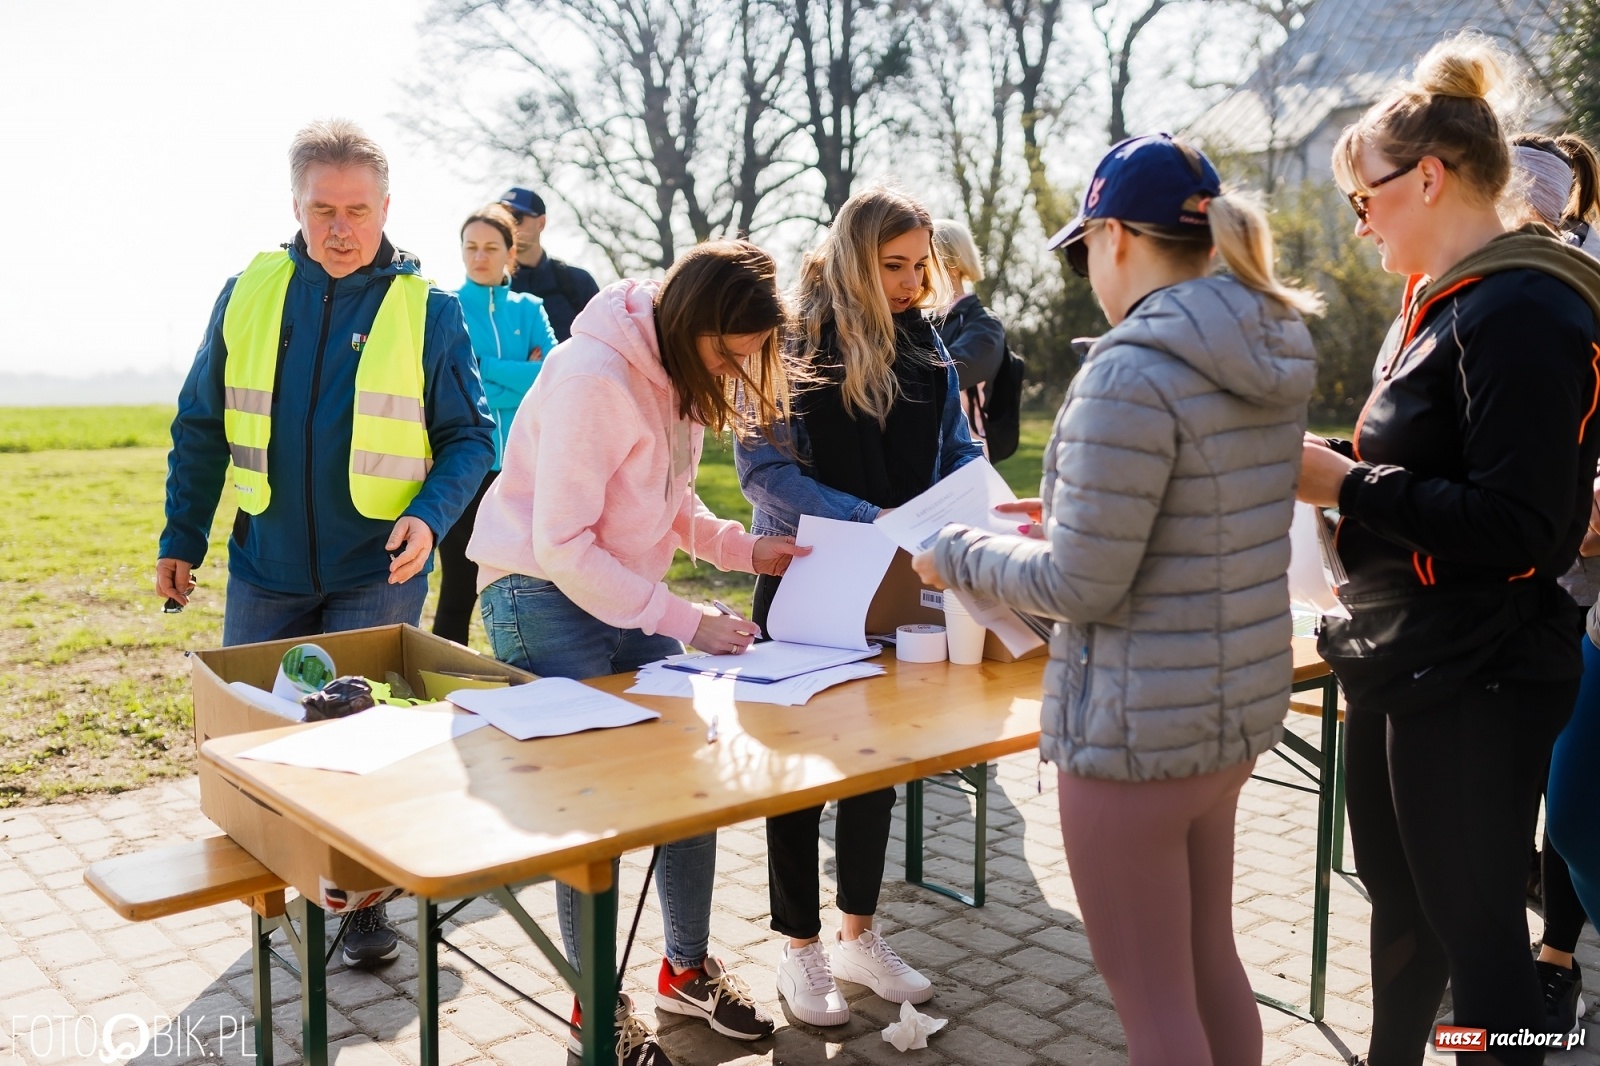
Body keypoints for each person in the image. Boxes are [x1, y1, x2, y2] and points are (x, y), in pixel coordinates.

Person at [912, 133, 1319, 1066]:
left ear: (1116, 238)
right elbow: (1197, 514)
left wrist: (958, 550)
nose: (1088, 266)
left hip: (1134, 734)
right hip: (1225, 717)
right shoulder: (1264, 345)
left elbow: (1079, 586)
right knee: (1209, 964)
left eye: (1085, 246)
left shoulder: (1126, 370)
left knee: (1154, 1011)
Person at [1297, 37, 1600, 1064]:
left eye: (1365, 195)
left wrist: (1340, 482)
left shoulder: (1523, 308)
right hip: (1408, 652)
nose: (1361, 217)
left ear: (1427, 177)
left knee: (1481, 945)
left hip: (1475, 669)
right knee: (1405, 906)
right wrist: (1331, 469)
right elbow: (1433, 470)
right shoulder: (1445, 301)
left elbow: (1520, 525)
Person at [156, 119, 495, 969]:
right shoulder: (247, 293)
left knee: (364, 743)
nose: (340, 228)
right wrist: (181, 539)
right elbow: (200, 425)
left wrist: (430, 513)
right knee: (260, 741)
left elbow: (469, 439)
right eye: (322, 209)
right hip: (264, 564)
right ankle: (276, 891)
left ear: (386, 208)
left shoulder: (431, 311)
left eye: (357, 209)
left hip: (376, 570)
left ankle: (364, 902)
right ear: (296, 206)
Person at [466, 240, 808, 1065]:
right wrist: (686, 621)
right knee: (597, 801)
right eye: (728, 355)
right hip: (537, 587)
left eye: (750, 358)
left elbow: (669, 497)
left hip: (616, 587)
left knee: (687, 784)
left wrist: (741, 549)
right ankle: (594, 1008)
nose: (736, 373)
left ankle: (684, 969)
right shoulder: (594, 376)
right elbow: (563, 543)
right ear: (690, 322)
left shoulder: (679, 372)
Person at [735, 185, 985, 1028]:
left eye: (922, 266)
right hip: (806, 578)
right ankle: (799, 951)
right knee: (798, 772)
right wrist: (867, 519)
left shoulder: (930, 348)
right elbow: (763, 473)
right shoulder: (789, 341)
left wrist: (968, 507)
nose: (913, 283)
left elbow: (959, 449)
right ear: (851, 258)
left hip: (900, 581)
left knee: (874, 767)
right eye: (894, 267)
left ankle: (858, 936)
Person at [1513, 130, 1600, 1034]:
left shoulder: (1572, 286)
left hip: (1583, 597)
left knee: (1569, 812)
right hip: (1525, 590)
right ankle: (1522, 981)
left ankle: (1553, 965)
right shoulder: (1485, 285)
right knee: (1548, 804)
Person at [431, 203, 557, 646]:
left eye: (490, 247)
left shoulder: (530, 309)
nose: (478, 256)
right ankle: (441, 679)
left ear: (510, 254)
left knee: (533, 581)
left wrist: (486, 368)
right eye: (470, 247)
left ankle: (530, 670)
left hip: (526, 468)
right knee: (460, 585)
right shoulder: (446, 308)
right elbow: (455, 386)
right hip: (464, 470)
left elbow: (552, 375)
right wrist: (520, 372)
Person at [930, 218, 1007, 425]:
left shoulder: (985, 325)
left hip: (966, 451)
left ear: (952, 265)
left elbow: (947, 373)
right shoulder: (926, 322)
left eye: (924, 261)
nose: (917, 272)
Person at [500, 186, 601, 343]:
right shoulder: (491, 289)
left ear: (541, 223)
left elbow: (602, 345)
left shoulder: (578, 283)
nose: (508, 225)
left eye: (516, 217)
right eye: (501, 218)